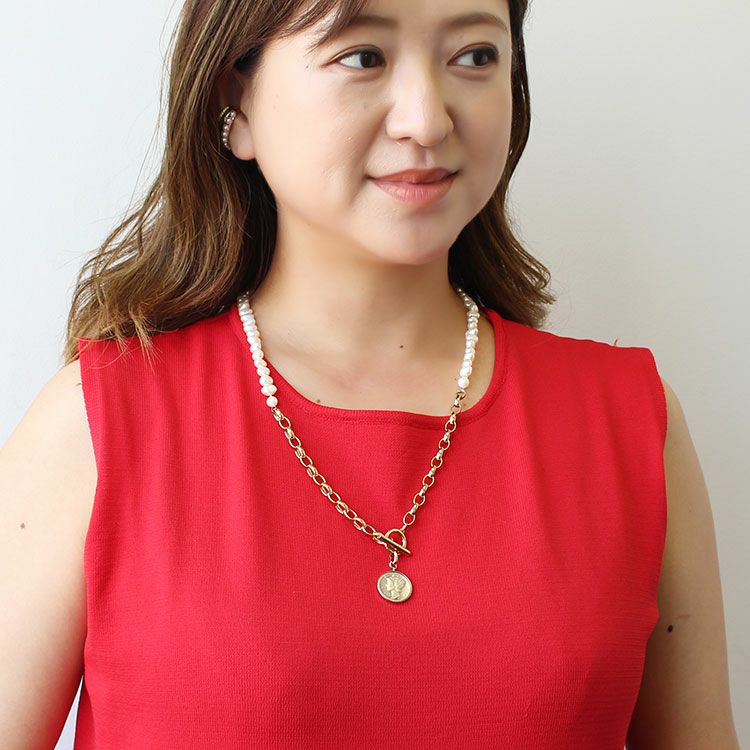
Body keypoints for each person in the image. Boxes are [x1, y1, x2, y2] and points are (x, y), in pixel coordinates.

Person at [0, 0, 740, 747]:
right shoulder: (97, 426)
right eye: (362, 57)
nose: (427, 120)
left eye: (475, 55)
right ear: (237, 101)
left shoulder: (630, 423)